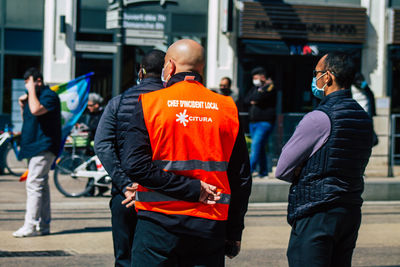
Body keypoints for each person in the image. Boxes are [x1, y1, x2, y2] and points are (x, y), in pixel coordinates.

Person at [121, 39, 252, 266]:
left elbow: (135, 164)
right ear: (201, 68)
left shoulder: (150, 103)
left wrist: (190, 189)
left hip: (158, 223)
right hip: (209, 226)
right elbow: (241, 178)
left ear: (170, 67)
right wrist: (234, 232)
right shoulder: (227, 108)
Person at [275, 52, 373, 266]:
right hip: (350, 209)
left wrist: (304, 165)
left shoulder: (319, 117)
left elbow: (282, 168)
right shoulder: (363, 118)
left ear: (327, 77)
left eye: (316, 73)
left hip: (316, 210)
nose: (315, 78)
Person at [94, 49, 165, 267]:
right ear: (167, 72)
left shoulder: (118, 102)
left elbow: (103, 144)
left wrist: (125, 184)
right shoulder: (170, 103)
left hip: (124, 195)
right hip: (163, 194)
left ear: (141, 71)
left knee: (124, 258)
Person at [13, 68, 61, 237]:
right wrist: (21, 104)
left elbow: (36, 110)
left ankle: (30, 226)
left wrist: (32, 91)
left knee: (33, 184)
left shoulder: (49, 96)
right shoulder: (32, 98)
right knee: (41, 186)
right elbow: (28, 117)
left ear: (38, 81)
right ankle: (43, 225)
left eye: (29, 82)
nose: (27, 86)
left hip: (44, 146)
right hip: (34, 146)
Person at [243, 67, 276, 178]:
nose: (254, 79)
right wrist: (256, 96)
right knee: (260, 148)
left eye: (255, 77)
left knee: (255, 146)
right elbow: (247, 100)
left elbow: (260, 97)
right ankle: (263, 172)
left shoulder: (270, 87)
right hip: (253, 123)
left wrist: (257, 96)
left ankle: (249, 171)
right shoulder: (255, 88)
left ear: (262, 77)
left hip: (264, 123)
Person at [352, 72, 378, 146]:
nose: (359, 82)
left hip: (365, 108)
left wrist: (373, 111)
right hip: (356, 108)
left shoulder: (364, 86)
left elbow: (370, 95)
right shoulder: (350, 87)